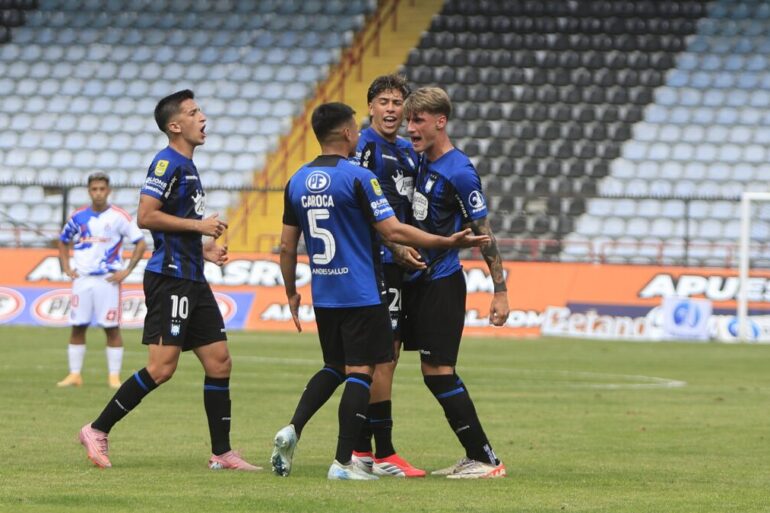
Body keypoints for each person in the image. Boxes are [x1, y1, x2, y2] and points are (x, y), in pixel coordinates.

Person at [270, 102, 489, 480]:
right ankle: (344, 462)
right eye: (355, 128)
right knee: (361, 371)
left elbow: (287, 247)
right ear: (346, 134)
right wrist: (444, 241)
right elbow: (393, 232)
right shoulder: (358, 177)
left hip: (323, 292)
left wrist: (291, 291)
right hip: (362, 290)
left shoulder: (297, 180)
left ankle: (293, 429)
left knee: (334, 366)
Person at [77, 89, 259, 472]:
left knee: (220, 361)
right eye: (194, 112)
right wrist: (200, 225)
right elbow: (145, 216)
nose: (203, 118)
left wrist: (204, 249)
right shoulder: (166, 164)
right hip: (170, 280)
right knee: (162, 368)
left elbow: (172, 228)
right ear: (175, 125)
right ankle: (96, 428)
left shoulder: (189, 166)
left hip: (192, 275)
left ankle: (222, 453)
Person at [402, 86, 510, 479]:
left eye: (418, 120)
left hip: (442, 284)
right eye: (409, 120)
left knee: (438, 372)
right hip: (416, 279)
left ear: (440, 121)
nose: (410, 127)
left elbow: (484, 232)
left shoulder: (459, 171)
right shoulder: (422, 162)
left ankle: (486, 459)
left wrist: (500, 291)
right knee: (415, 368)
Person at [348, 74, 425, 478]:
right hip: (375, 263)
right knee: (381, 359)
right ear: (371, 107)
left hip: (399, 267)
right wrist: (393, 246)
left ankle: (363, 449)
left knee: (385, 356)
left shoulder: (408, 152)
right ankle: (383, 452)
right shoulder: (364, 146)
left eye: (398, 102)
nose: (392, 109)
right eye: (384, 101)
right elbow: (355, 201)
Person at [56, 172, 147, 389]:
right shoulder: (78, 217)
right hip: (83, 279)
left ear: (108, 191)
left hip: (108, 280)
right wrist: (66, 266)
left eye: (102, 189)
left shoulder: (119, 217)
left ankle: (113, 376)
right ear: (89, 191)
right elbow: (63, 240)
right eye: (94, 189)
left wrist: (126, 270)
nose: (98, 193)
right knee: (78, 326)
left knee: (111, 328)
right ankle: (74, 374)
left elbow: (140, 242)